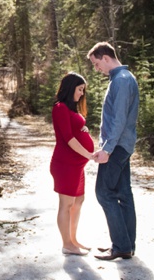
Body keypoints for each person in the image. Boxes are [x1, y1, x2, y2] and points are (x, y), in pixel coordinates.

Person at [88, 41, 139, 261]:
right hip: (121, 145)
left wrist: (107, 149)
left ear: (106, 58)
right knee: (123, 194)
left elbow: (119, 119)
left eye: (97, 64)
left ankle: (121, 246)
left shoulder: (122, 80)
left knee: (104, 193)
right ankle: (126, 246)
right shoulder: (122, 79)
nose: (96, 69)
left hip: (116, 147)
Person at [49, 72, 95, 256]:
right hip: (65, 164)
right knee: (66, 204)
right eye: (79, 89)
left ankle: (73, 240)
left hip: (77, 165)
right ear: (70, 88)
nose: (82, 93)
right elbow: (68, 138)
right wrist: (89, 155)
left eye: (83, 90)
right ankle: (66, 244)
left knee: (78, 202)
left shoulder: (71, 108)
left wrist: (84, 129)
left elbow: (75, 130)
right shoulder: (60, 107)